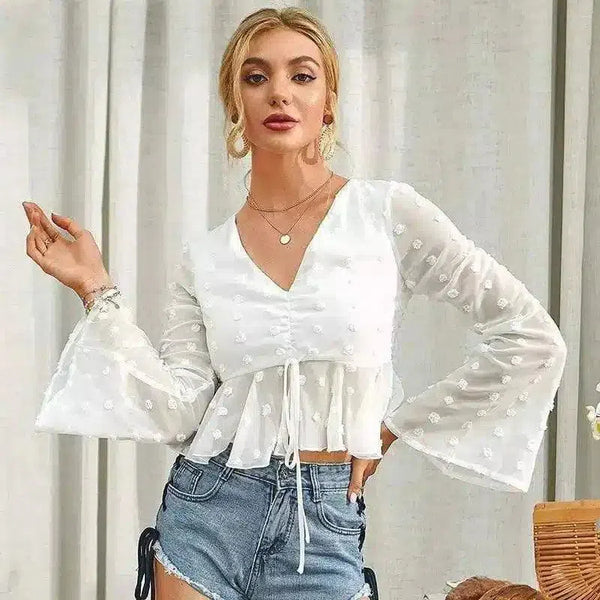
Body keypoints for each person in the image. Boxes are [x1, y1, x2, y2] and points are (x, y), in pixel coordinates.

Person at [25, 7, 567, 600]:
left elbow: (529, 335)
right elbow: (182, 411)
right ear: (235, 104)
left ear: (328, 102)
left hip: (325, 521)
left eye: (302, 76)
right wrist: (95, 289)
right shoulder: (204, 257)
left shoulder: (387, 213)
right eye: (256, 77)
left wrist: (394, 427)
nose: (279, 92)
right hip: (206, 511)